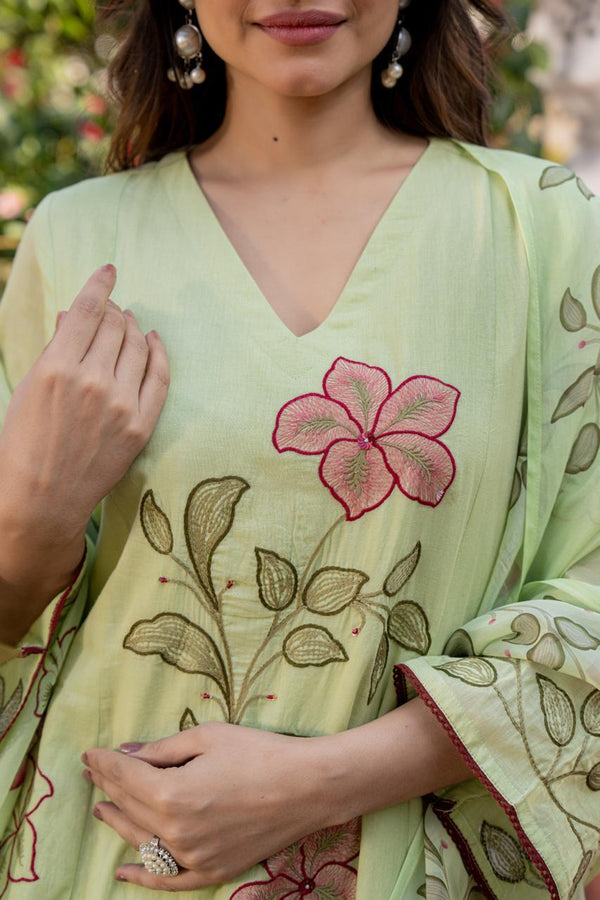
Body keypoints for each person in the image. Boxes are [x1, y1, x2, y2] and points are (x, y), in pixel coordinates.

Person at [1, 0, 600, 897]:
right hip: (97, 860)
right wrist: (33, 516)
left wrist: (315, 784)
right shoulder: (79, 238)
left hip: (402, 867)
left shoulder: (538, 230)